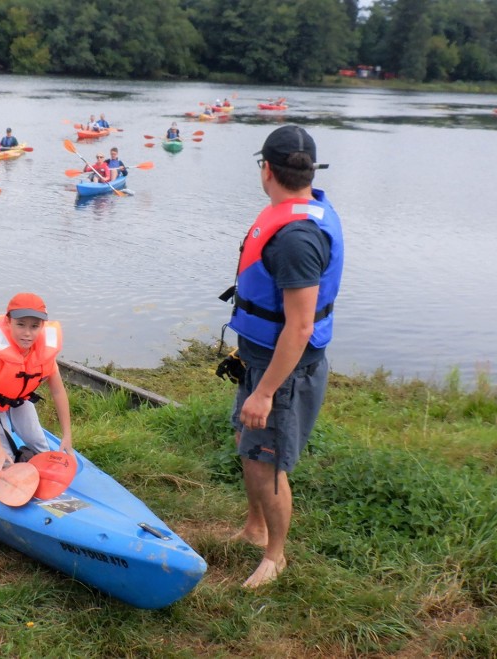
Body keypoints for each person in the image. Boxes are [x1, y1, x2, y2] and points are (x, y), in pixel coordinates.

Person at [221, 124, 343, 588]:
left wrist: (267, 391)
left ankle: (275, 556)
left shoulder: (296, 238)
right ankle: (255, 529)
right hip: (260, 360)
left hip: (284, 374)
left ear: (266, 169)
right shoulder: (299, 211)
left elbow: (300, 326)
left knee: (265, 461)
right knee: (247, 445)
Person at [0, 292, 73, 475]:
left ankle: (42, 473)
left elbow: (58, 392)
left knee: (39, 443)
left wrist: (67, 435)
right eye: (20, 325)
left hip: (19, 398)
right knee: (5, 456)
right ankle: (6, 472)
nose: (27, 333)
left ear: (42, 326)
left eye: (34, 326)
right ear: (8, 322)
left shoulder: (45, 353)